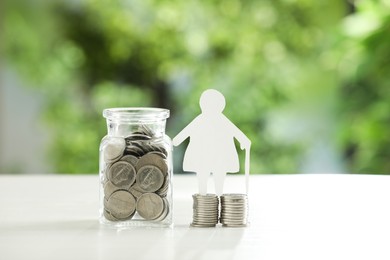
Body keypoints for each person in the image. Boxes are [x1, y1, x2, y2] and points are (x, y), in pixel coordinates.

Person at [173, 89, 251, 195]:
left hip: (218, 156)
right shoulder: (202, 120)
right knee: (203, 176)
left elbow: (237, 133)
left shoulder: (221, 121)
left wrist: (244, 141)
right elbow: (182, 135)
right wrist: (175, 141)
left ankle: (217, 195)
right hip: (203, 156)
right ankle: (204, 197)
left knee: (217, 175)